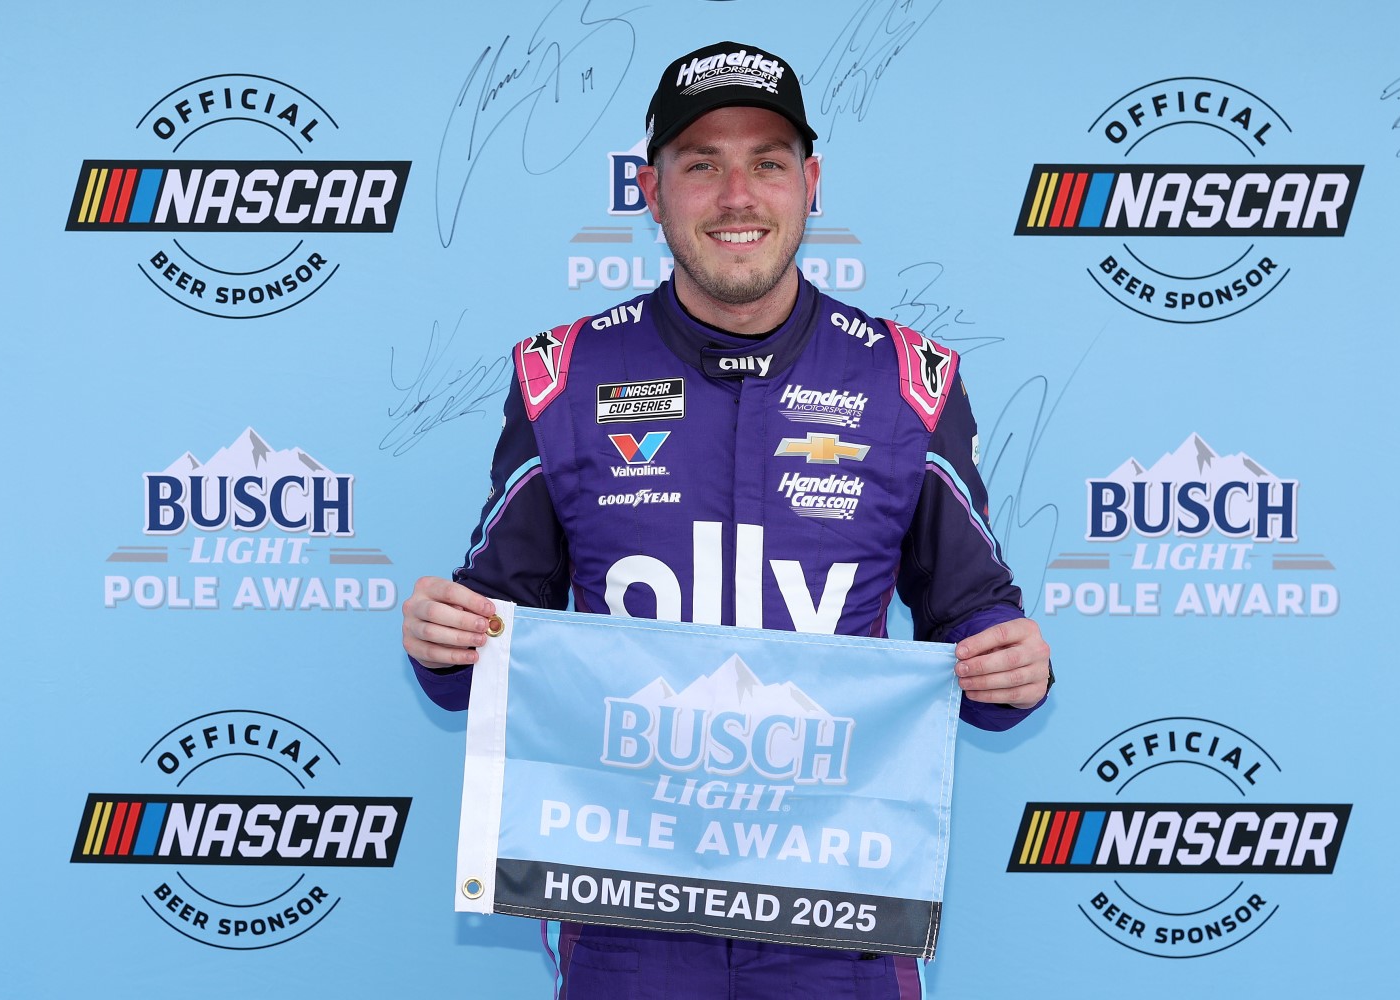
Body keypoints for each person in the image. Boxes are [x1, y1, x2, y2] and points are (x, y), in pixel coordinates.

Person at [402, 39, 1052, 1000]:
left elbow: (981, 629)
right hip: (629, 927)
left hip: (842, 927)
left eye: (768, 163)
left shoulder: (907, 380)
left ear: (811, 184)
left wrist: (1015, 664)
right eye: (701, 164)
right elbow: (490, 655)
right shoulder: (564, 375)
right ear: (652, 191)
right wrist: (445, 640)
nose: (737, 195)